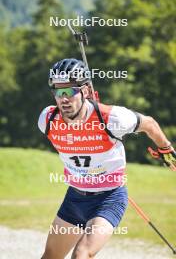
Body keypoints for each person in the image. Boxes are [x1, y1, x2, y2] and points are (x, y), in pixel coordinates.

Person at [38, 58, 176, 259]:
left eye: (69, 91)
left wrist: (166, 149)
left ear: (85, 91)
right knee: (50, 256)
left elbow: (150, 124)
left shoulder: (112, 118)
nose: (63, 99)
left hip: (109, 198)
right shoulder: (47, 120)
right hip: (75, 198)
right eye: (58, 92)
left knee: (82, 254)